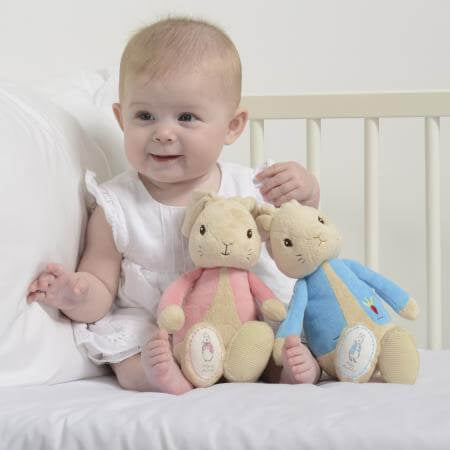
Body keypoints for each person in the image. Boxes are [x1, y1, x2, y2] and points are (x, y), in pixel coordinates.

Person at [27, 17, 321, 394]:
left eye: (186, 117)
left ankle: (291, 370)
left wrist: (306, 192)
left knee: (281, 338)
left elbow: (300, 241)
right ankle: (162, 376)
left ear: (232, 126)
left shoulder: (253, 187)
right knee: (129, 362)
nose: (163, 133)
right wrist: (75, 292)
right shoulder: (116, 206)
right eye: (145, 116)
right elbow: (100, 285)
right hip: (159, 329)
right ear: (120, 119)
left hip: (245, 322)